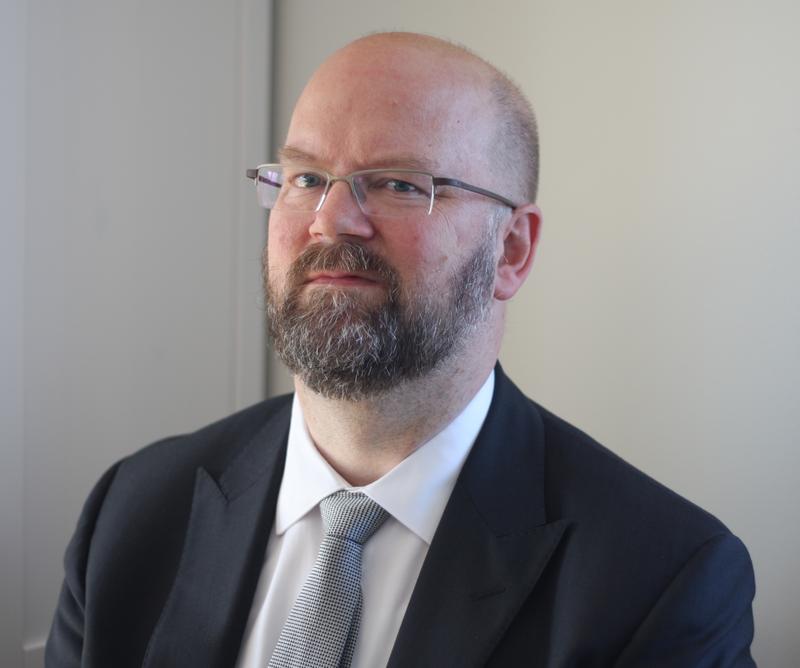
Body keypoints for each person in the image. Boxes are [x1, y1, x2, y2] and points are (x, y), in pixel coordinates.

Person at [46, 32, 756, 667]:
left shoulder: (661, 583)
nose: (331, 221)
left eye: (398, 184)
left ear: (511, 249)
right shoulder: (132, 512)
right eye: (305, 178)